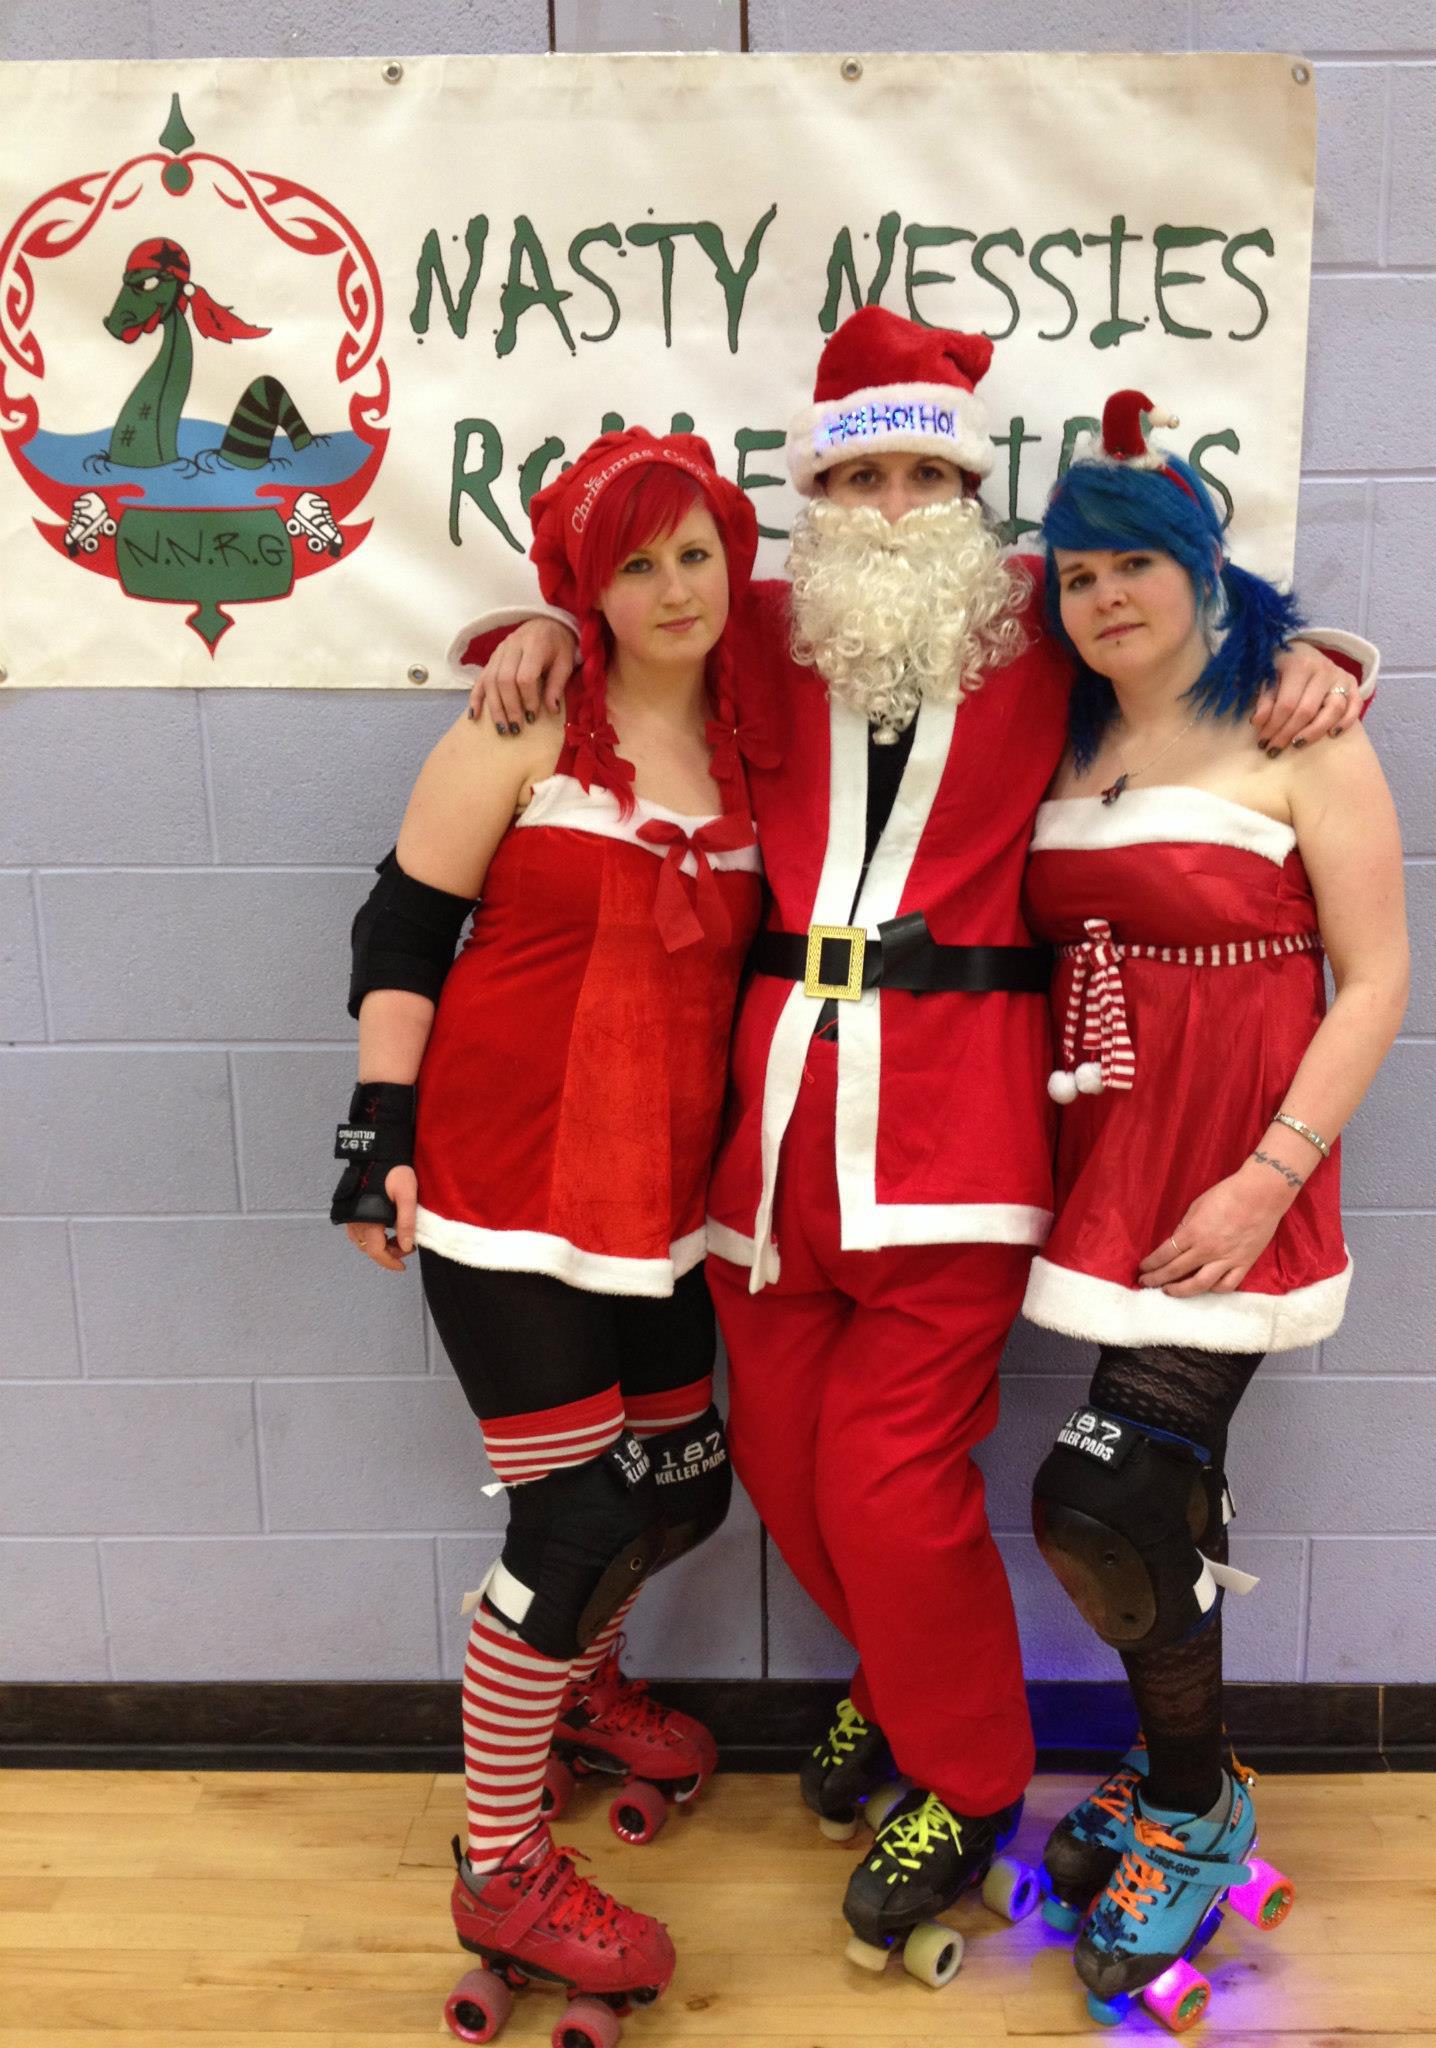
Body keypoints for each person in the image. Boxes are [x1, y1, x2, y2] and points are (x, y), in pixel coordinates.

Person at [463, 309, 1372, 1972]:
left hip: (956, 1121)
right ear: (818, 493)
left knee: (890, 1480)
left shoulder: (1038, 620)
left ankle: (967, 1776)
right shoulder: (749, 621)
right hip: (772, 1129)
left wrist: (1313, 654)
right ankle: (895, 1678)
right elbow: (627, 599)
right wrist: (544, 620)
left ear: (971, 489)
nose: (890, 503)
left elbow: (1181, 614)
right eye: (860, 474)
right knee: (799, 1473)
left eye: (923, 472)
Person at [330, 428, 763, 2026]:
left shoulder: (763, 736)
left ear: (735, 557)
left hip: (665, 1207)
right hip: (503, 1197)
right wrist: (376, 1131)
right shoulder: (525, 721)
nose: (672, 589)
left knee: (683, 1487)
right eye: (631, 563)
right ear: (582, 585)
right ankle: (499, 1858)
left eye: (695, 552)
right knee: (571, 1525)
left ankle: (579, 1695)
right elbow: (404, 919)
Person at [1020, 393, 1407, 2022]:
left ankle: (1192, 1796)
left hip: (1236, 1173)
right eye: (1078, 574)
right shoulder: (1060, 725)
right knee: (1159, 1500)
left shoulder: (1299, 723)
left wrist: (1274, 1175)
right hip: (1099, 1158)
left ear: (1198, 565)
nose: (1106, 598)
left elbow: (1379, 975)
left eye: (1138, 566)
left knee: (1101, 1501)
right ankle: (1179, 1775)